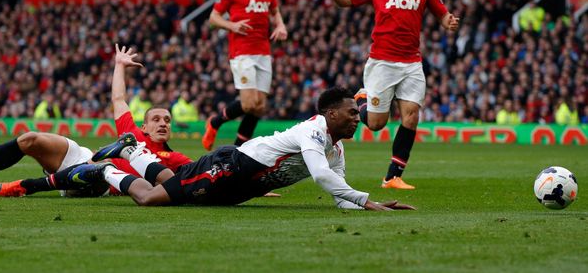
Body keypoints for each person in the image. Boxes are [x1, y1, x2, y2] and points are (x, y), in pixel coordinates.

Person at [67, 87, 415, 211]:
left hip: (236, 190)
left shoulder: (336, 150)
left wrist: (369, 205)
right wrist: (367, 200)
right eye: (353, 113)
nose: (359, 119)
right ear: (331, 114)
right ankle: (110, 167)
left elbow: (339, 195)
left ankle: (132, 152)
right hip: (227, 168)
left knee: (174, 182)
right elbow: (322, 177)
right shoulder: (312, 131)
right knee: (150, 199)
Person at [0, 44, 192, 197]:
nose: (162, 123)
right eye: (155, 119)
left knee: (104, 165)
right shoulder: (132, 132)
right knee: (30, 138)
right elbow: (119, 99)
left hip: (102, 185)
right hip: (85, 159)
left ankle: (24, 187)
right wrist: (119, 65)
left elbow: (198, 174)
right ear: (144, 126)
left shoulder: (175, 159)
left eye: (166, 120)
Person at [308, 0, 460, 190]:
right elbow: (345, 1)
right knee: (377, 124)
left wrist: (450, 23)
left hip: (412, 63)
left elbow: (443, 16)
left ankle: (393, 177)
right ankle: (361, 99)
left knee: (411, 116)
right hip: (382, 63)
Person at [202, 0, 288, 151]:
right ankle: (215, 122)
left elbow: (274, 10)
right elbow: (213, 18)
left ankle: (238, 151)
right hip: (242, 52)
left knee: (259, 107)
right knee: (249, 104)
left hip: (263, 51)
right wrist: (231, 25)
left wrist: (281, 25)